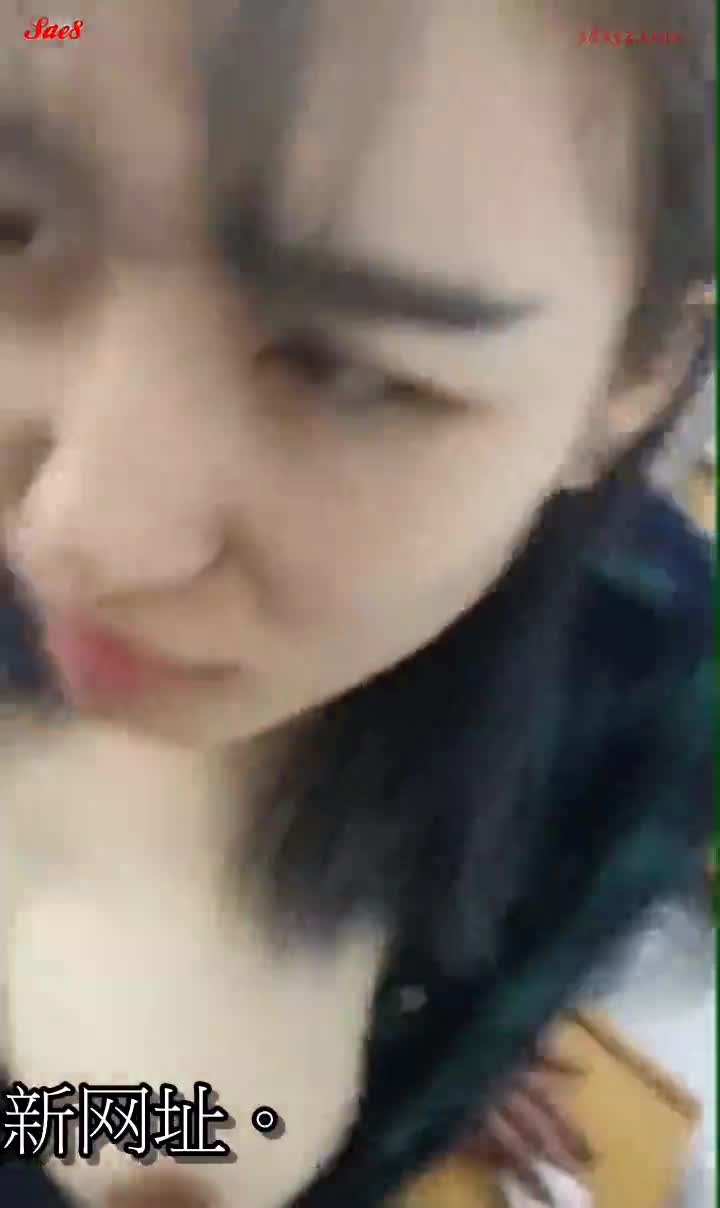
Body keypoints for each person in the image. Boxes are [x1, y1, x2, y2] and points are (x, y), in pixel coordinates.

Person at [0, 2, 713, 1206]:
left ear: (633, 379)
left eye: (346, 370)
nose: (74, 536)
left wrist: (444, 1053)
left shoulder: (642, 675)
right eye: (10, 229)